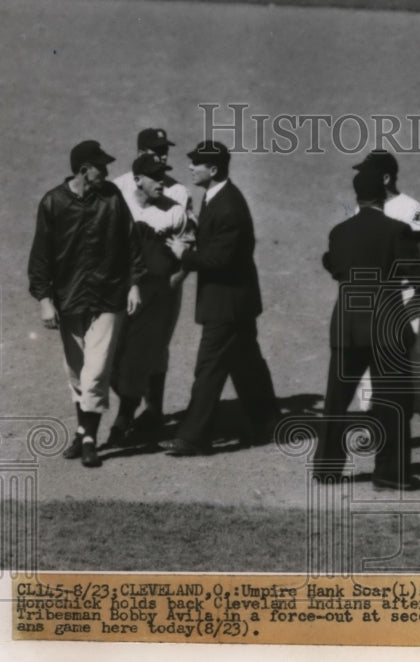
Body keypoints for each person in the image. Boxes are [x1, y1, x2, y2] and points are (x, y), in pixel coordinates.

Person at [312, 167, 420, 490]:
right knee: (392, 401)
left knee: (336, 400)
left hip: (347, 326)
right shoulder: (397, 231)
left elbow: (333, 264)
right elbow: (417, 273)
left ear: (358, 196)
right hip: (386, 325)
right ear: (383, 194)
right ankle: (389, 474)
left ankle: (326, 469)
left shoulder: (339, 233)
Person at [27, 140, 143, 468]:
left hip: (109, 297)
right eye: (100, 167)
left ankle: (89, 439)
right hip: (69, 300)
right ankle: (83, 432)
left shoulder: (112, 198)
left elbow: (131, 241)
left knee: (95, 373)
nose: (105, 173)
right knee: (76, 373)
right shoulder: (53, 202)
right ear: (83, 170)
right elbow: (41, 256)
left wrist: (134, 284)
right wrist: (45, 299)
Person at [162, 140, 279, 456]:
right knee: (246, 364)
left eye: (196, 164)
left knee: (209, 367)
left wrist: (184, 253)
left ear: (213, 169)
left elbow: (221, 260)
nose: (190, 167)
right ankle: (266, 422)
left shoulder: (228, 205)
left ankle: (193, 437)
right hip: (236, 300)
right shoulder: (216, 196)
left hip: (227, 303)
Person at [351, 149, 420, 472]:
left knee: (411, 364)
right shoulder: (365, 204)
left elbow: (412, 256)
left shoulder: (412, 208)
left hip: (405, 295)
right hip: (375, 295)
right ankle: (382, 434)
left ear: (386, 177)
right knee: (371, 364)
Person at [113, 127, 194, 430]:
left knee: (156, 346)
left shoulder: (178, 193)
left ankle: (151, 411)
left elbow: (189, 242)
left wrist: (176, 281)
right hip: (123, 282)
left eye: (164, 151)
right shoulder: (118, 187)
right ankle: (130, 405)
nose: (161, 156)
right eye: (154, 151)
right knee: (118, 345)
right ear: (139, 154)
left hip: (163, 283)